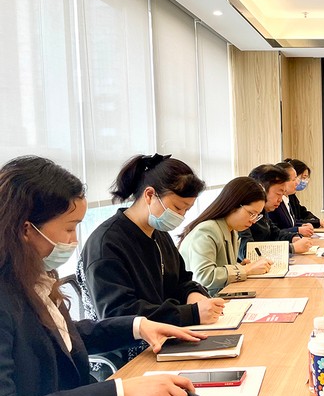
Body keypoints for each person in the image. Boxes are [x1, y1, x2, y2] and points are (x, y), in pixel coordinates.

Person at [0, 155, 216, 396]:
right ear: (26, 229)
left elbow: (62, 338)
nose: (74, 240)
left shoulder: (31, 274)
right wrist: (122, 394)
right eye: (69, 228)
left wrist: (138, 326)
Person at [78, 154, 226, 364]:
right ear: (149, 195)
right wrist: (191, 313)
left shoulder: (159, 234)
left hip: (170, 337)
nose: (181, 216)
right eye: (177, 207)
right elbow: (119, 315)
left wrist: (193, 295)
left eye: (186, 210)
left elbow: (181, 280)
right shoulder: (106, 244)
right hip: (132, 351)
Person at [178, 177, 274, 295]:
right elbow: (203, 277)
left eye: (257, 216)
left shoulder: (232, 230)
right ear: (234, 204)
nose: (253, 221)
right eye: (251, 213)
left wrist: (240, 266)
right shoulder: (207, 230)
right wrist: (245, 269)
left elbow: (221, 267)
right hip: (204, 301)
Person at [238, 164, 314, 260]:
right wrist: (291, 248)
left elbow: (276, 234)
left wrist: (293, 237)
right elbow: (248, 252)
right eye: (278, 194)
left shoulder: (262, 211)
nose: (280, 200)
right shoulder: (242, 213)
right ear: (261, 190)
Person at [282, 158, 324, 229]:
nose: (297, 182)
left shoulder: (291, 196)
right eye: (303, 177)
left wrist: (319, 221)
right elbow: (292, 223)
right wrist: (319, 222)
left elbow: (303, 213)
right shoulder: (279, 200)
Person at [267, 161, 314, 237]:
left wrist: (301, 226)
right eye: (294, 179)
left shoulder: (287, 198)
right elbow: (274, 233)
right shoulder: (272, 204)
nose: (297, 183)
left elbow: (291, 223)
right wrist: (297, 230)